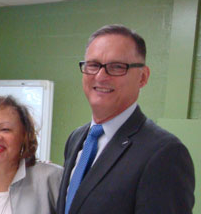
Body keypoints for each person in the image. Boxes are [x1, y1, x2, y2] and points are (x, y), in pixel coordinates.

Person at [57, 24, 195, 214]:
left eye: (117, 67)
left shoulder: (164, 153)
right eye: (93, 65)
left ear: (143, 77)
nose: (100, 76)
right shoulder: (77, 138)